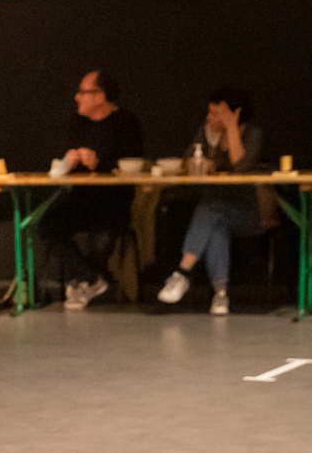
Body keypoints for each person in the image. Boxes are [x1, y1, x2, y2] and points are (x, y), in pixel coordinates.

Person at [156, 88, 265, 316]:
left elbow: (242, 166)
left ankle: (182, 272)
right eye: (209, 112)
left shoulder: (252, 133)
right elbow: (188, 159)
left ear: (235, 113)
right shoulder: (206, 133)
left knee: (210, 210)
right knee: (216, 225)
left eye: (216, 113)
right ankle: (220, 294)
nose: (209, 117)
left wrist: (231, 128)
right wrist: (203, 160)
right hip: (213, 209)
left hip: (244, 211)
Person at [43, 70, 143, 309]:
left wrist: (99, 162)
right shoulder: (76, 123)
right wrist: (68, 160)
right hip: (80, 198)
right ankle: (90, 279)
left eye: (83, 92)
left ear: (100, 96)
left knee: (102, 239)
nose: (77, 97)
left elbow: (133, 162)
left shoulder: (125, 122)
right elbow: (58, 161)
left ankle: (82, 283)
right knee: (48, 224)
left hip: (113, 201)